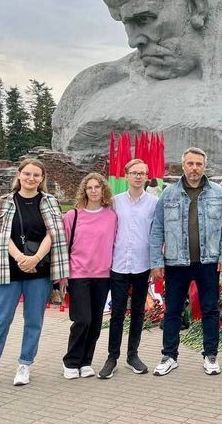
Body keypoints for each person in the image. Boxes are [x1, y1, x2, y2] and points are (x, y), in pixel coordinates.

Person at [0, 159, 69, 392]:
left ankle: (24, 365)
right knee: (0, 320)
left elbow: (54, 233)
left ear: (42, 179)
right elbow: (0, 235)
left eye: (36, 175)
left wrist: (35, 258)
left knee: (33, 321)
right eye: (27, 174)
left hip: (39, 271)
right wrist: (21, 259)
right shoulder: (3, 202)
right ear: (19, 175)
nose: (31, 178)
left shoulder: (50, 202)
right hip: (8, 270)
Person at [149, 147, 222, 377]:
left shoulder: (218, 193)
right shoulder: (169, 194)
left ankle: (210, 355)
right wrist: (156, 262)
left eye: (198, 164)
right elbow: (157, 228)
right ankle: (169, 356)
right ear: (183, 165)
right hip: (176, 262)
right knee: (173, 310)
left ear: (204, 166)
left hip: (208, 262)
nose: (194, 168)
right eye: (190, 163)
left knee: (210, 310)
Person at [99, 159, 157, 379]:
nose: (138, 176)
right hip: (119, 264)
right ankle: (112, 357)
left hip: (142, 264)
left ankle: (133, 355)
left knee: (138, 312)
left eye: (142, 173)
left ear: (147, 176)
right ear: (126, 175)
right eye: (134, 173)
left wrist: (156, 264)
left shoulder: (153, 203)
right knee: (117, 312)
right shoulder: (115, 202)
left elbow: (157, 233)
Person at [61, 173, 117, 379]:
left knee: (95, 321)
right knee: (82, 320)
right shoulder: (73, 216)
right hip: (78, 274)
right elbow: (62, 246)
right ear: (84, 191)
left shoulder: (111, 216)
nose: (93, 191)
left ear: (103, 190)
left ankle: (86, 361)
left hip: (103, 275)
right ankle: (71, 361)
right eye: (89, 187)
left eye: (97, 187)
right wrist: (62, 277)